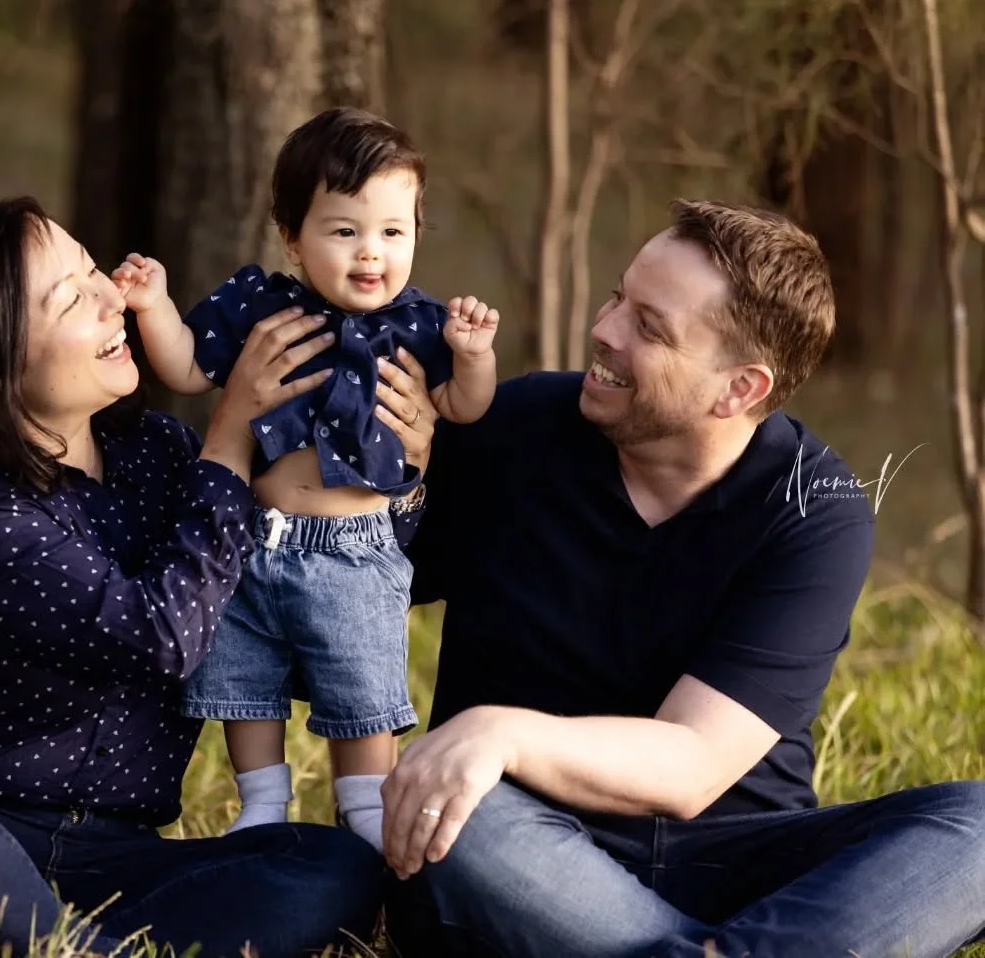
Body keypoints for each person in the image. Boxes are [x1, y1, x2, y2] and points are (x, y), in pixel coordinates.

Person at [0, 195, 437, 957]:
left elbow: (320, 564)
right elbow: (159, 636)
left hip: (117, 862)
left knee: (329, 864)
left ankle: (30, 941)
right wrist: (229, 437)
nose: (111, 298)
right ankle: (62, 944)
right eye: (71, 295)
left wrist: (403, 475)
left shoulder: (154, 455)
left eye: (94, 271)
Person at [379, 199, 985, 957]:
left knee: (979, 829)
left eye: (649, 326)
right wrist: (389, 481)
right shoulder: (513, 428)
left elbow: (691, 762)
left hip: (739, 858)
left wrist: (501, 728)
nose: (604, 330)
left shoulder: (812, 510)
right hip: (527, 845)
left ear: (740, 388)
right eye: (616, 297)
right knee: (461, 817)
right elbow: (356, 588)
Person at [110, 106, 500, 852]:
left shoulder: (421, 324)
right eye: (344, 230)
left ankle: (362, 813)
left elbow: (461, 407)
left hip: (356, 548)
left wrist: (474, 355)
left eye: (393, 231)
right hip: (256, 540)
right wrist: (153, 305)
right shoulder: (262, 306)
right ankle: (261, 803)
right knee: (242, 673)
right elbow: (188, 364)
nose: (370, 253)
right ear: (292, 236)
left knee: (363, 687)